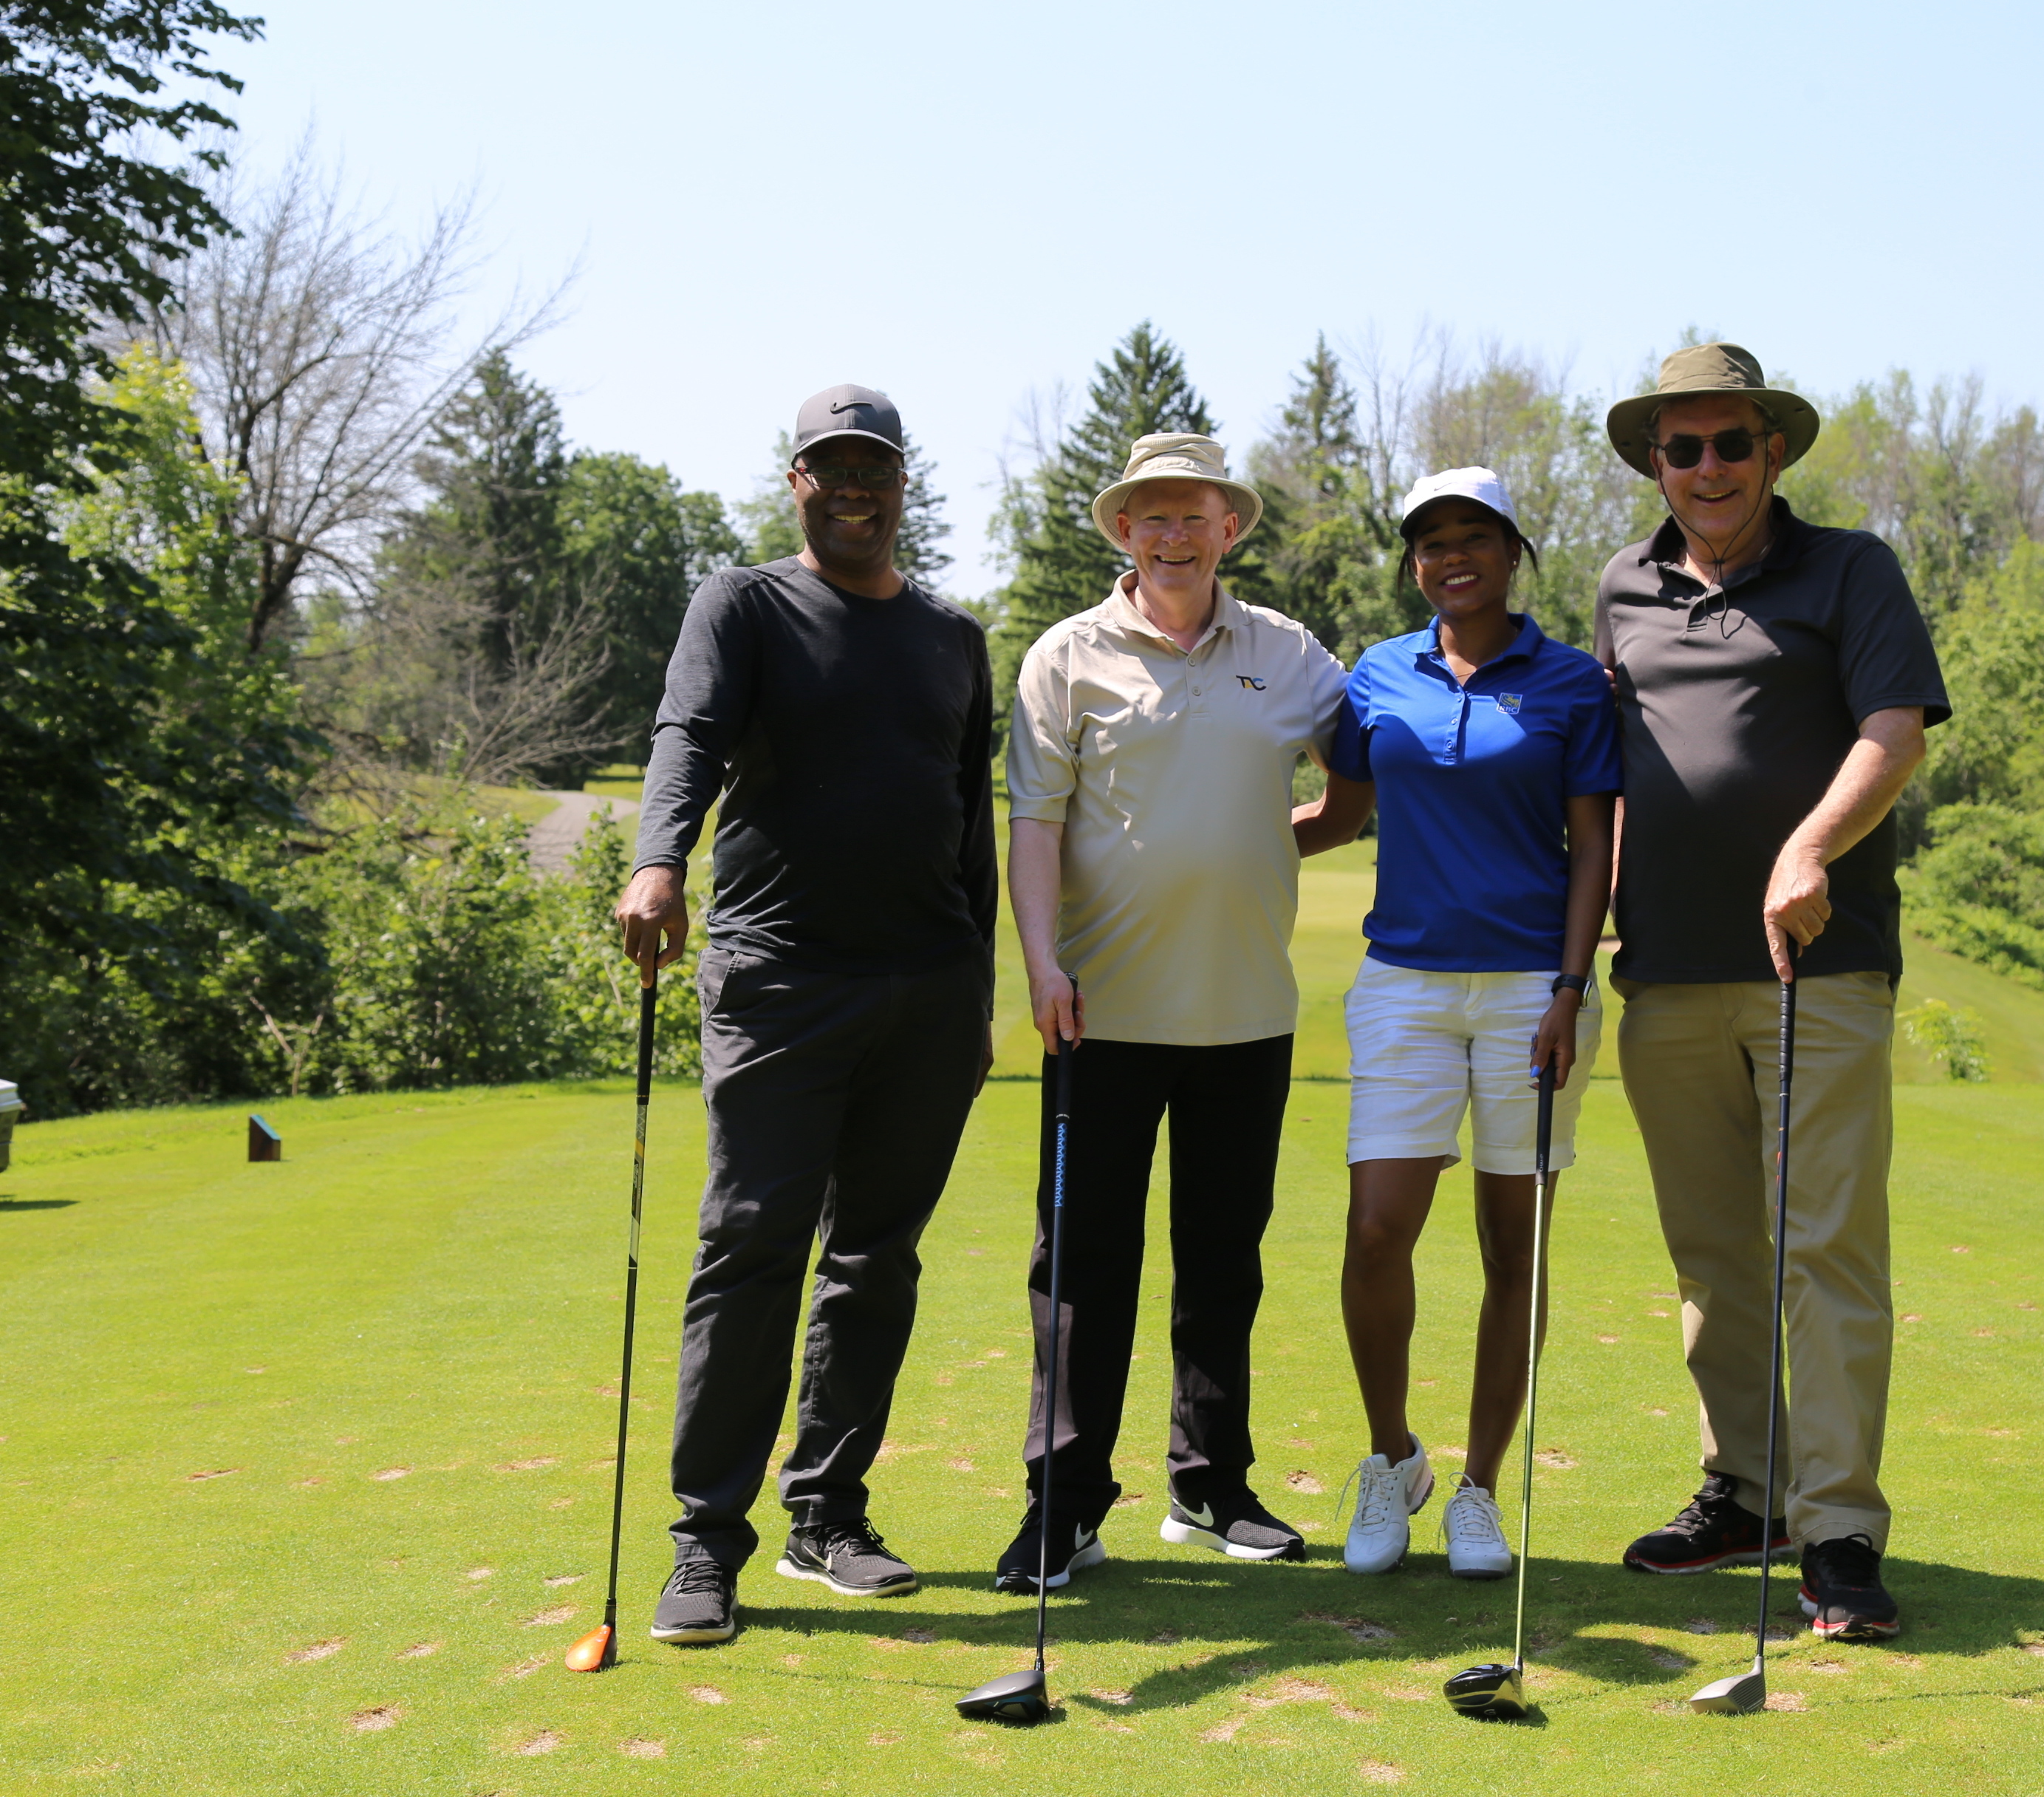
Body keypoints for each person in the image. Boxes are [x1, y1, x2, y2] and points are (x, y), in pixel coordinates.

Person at [612, 384, 996, 1647]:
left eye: (874, 469)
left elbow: (969, 824)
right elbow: (689, 734)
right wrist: (659, 860)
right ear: (798, 482)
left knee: (877, 1257)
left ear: (902, 484)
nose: (854, 489)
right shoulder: (744, 604)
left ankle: (827, 1514)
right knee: (752, 1246)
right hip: (779, 980)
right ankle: (705, 1542)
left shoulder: (953, 637)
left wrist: (978, 992)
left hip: (927, 988)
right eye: (832, 469)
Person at [1593, 344, 1951, 1642]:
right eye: (1682, 448)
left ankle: (1839, 1527)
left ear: (1773, 451)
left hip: (1820, 964)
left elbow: (1894, 731)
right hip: (1667, 973)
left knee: (1826, 1249)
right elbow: (1612, 777)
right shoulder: (1623, 588)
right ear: (1656, 462)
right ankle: (1747, 1491)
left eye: (1730, 444)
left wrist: (1808, 849)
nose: (1708, 469)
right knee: (1713, 1256)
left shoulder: (1850, 570)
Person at [997, 432, 1364, 1592]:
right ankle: (1064, 1506)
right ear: (1123, 529)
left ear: (1228, 527)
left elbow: (1360, 767)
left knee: (1221, 1265)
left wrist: (1293, 833)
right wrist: (1042, 966)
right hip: (1098, 1016)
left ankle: (1209, 1489)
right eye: (1151, 514)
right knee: (1082, 1268)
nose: (1172, 534)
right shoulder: (1066, 656)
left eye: (1193, 513)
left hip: (1247, 1016)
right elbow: (1036, 824)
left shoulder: (1288, 652)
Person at [1316, 468, 1619, 1579]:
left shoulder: (1572, 682)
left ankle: (1479, 1490)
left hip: (1535, 990)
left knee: (1512, 1246)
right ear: (1414, 563)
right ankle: (1394, 1458)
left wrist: (1571, 988)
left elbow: (1593, 845)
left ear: (1512, 553)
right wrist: (1191, 853)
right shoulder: (1376, 675)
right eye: (1432, 541)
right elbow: (1341, 813)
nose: (1453, 556)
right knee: (1376, 1231)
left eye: (1475, 537)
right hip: (1405, 983)